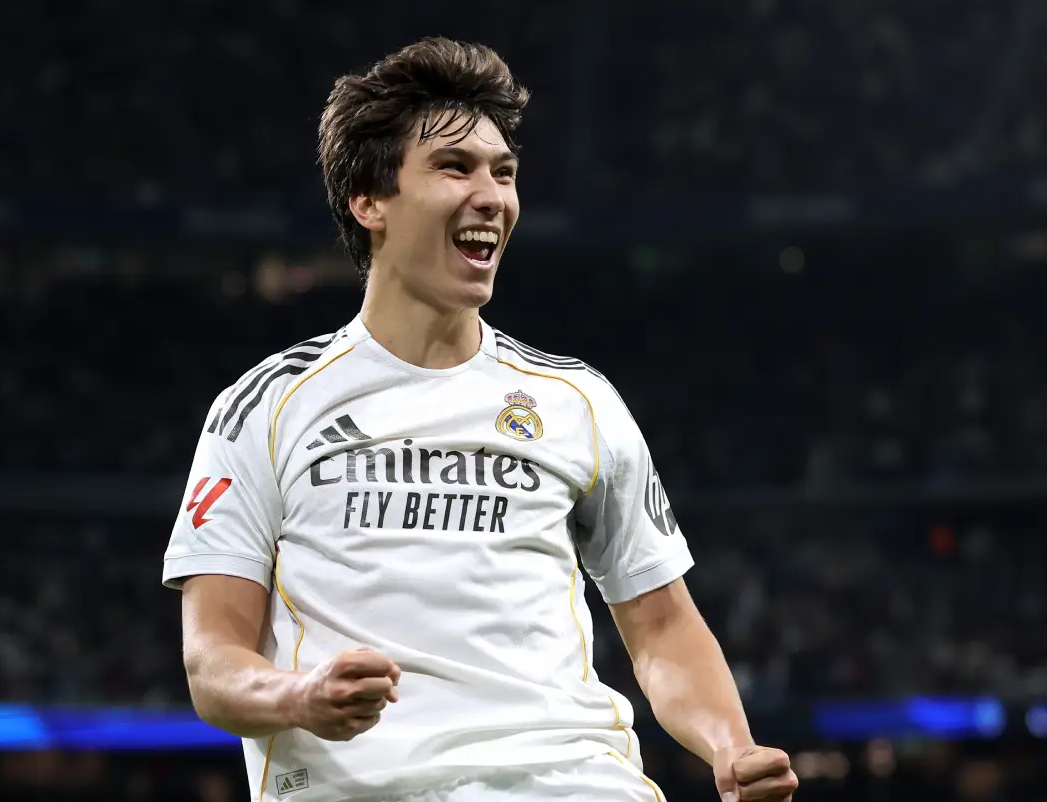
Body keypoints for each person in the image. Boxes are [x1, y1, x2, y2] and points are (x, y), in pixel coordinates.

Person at [162, 37, 799, 802]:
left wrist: (731, 748)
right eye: (454, 167)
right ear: (370, 201)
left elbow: (661, 626)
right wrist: (299, 697)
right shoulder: (265, 406)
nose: (492, 194)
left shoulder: (577, 401)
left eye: (504, 172)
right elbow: (212, 660)